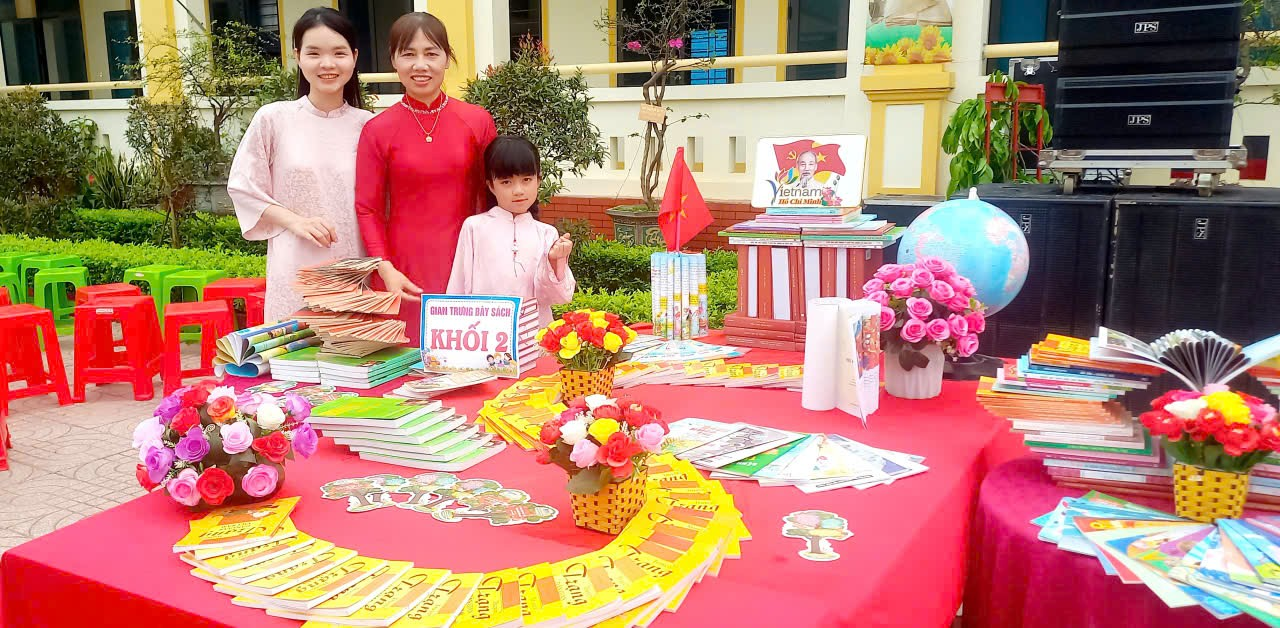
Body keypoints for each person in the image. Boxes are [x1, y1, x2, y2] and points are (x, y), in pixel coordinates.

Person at [356, 12, 497, 343]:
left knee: (468, 359)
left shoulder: (477, 121)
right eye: (409, 54)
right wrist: (385, 268)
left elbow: (494, 197)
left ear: (447, 58)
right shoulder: (377, 130)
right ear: (393, 60)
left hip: (466, 263)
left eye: (431, 53)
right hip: (402, 273)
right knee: (406, 362)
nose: (421, 65)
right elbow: (368, 208)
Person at [228, 7, 374, 322]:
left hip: (352, 269)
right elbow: (243, 186)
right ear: (297, 56)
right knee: (294, 347)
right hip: (294, 266)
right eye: (314, 53)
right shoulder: (274, 119)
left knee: (348, 349)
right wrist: (295, 221)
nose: (327, 64)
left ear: (354, 57)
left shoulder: (368, 126)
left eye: (339, 53)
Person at [446, 136, 575, 327]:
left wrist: (555, 261)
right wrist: (453, 329)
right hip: (485, 333)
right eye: (506, 182)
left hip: (534, 335)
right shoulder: (475, 228)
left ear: (538, 181)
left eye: (526, 180)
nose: (518, 190)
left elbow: (558, 298)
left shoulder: (547, 234)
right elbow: (458, 287)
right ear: (491, 185)